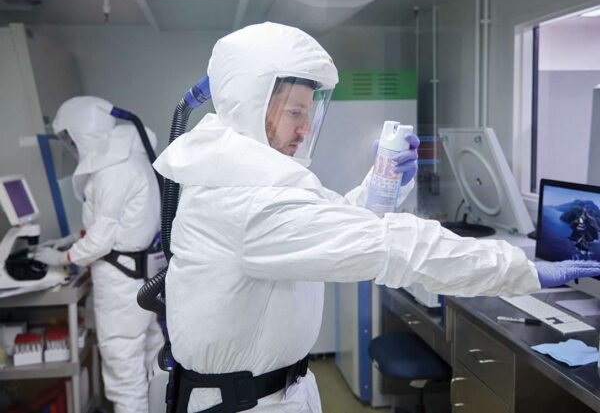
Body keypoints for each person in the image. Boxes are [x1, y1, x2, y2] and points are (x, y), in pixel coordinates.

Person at [152, 22, 600, 412]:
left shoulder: (245, 181)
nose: (306, 128)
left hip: (271, 391)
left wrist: (382, 185)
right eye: (294, 112)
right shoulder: (245, 201)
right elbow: (392, 246)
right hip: (248, 402)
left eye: (309, 113)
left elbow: (331, 225)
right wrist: (524, 269)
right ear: (252, 106)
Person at [34, 96, 163, 413]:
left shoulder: (111, 172)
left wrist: (62, 258)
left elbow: (101, 241)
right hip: (142, 281)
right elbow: (122, 226)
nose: (69, 145)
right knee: (149, 362)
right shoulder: (132, 160)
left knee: (125, 379)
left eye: (69, 137)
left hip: (121, 287)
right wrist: (71, 240)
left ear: (81, 133)